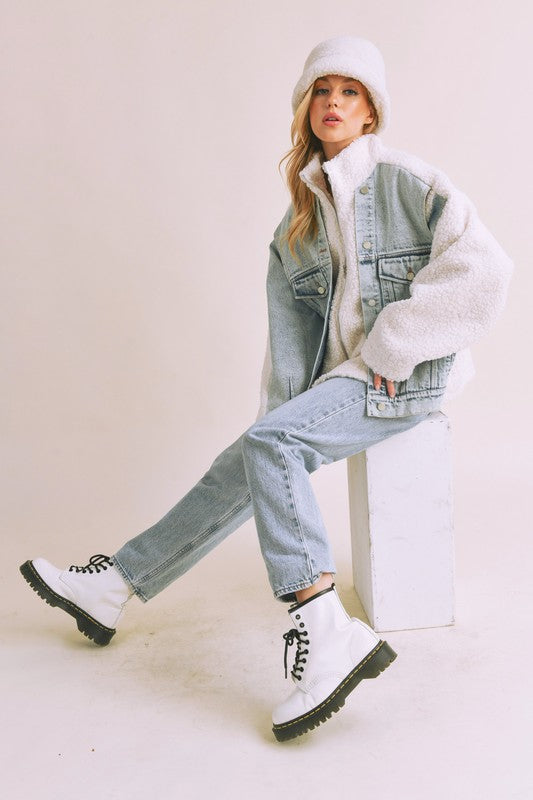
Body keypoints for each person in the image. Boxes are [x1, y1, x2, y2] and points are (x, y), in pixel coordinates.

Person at [20, 35, 513, 742]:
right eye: (322, 91)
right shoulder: (296, 226)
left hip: (405, 378)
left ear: (371, 112)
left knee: (269, 446)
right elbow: (288, 353)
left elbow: (486, 271)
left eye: (349, 92)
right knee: (258, 449)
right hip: (348, 383)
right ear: (305, 107)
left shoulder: (407, 181)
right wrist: (266, 436)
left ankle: (325, 630)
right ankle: (114, 586)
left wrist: (394, 344)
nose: (333, 102)